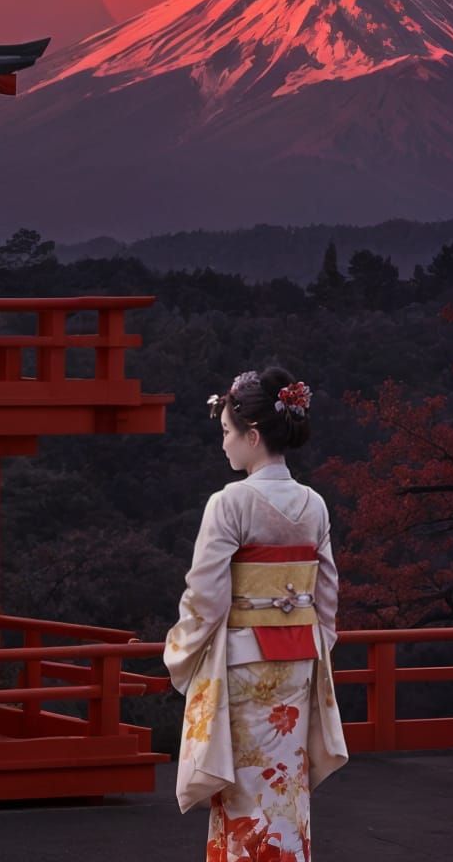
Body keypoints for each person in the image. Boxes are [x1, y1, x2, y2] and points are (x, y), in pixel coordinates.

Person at [164, 365, 348, 862]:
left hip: (246, 664)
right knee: (285, 782)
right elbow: (326, 595)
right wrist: (313, 645)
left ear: (252, 435)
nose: (223, 442)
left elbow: (205, 596)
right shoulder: (314, 504)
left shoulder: (230, 503)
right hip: (298, 663)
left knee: (244, 784)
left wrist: (180, 650)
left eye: (227, 431)